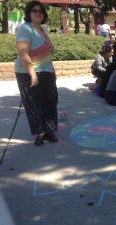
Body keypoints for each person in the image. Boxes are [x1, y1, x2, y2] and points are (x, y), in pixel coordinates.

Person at [14, 1, 58, 146]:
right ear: (28, 13)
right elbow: (23, 54)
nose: (38, 13)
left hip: (47, 71)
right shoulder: (25, 29)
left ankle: (50, 130)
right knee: (34, 104)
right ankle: (40, 133)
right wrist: (33, 75)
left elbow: (49, 52)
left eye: (41, 11)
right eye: (35, 10)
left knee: (51, 101)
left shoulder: (42, 29)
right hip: (28, 73)